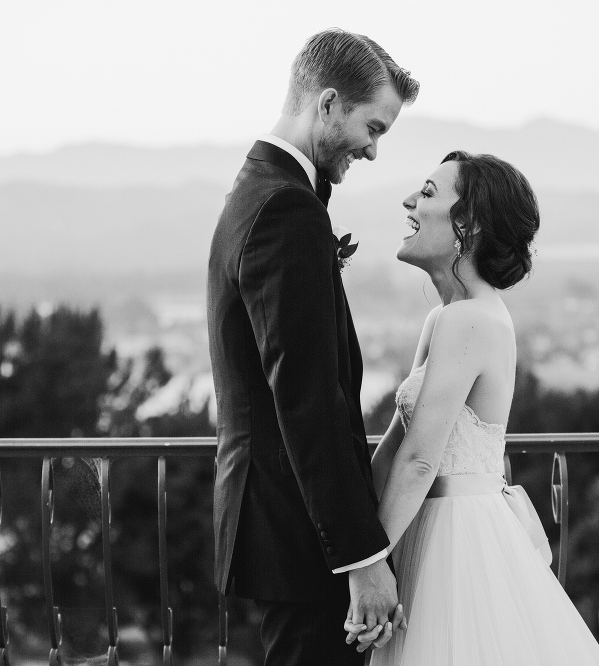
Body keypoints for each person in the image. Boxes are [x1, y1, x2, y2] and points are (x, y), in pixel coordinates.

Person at [206, 29, 418, 665]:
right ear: (327, 104)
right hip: (299, 533)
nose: (375, 152)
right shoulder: (284, 209)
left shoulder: (260, 188)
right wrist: (361, 556)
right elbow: (305, 399)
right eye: (372, 127)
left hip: (283, 521)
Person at [352, 152, 599, 665]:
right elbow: (396, 443)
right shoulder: (445, 317)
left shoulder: (468, 321)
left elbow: (421, 461)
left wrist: (372, 561)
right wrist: (354, 548)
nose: (409, 202)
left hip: (458, 540)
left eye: (427, 193)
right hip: (421, 525)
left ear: (466, 225)